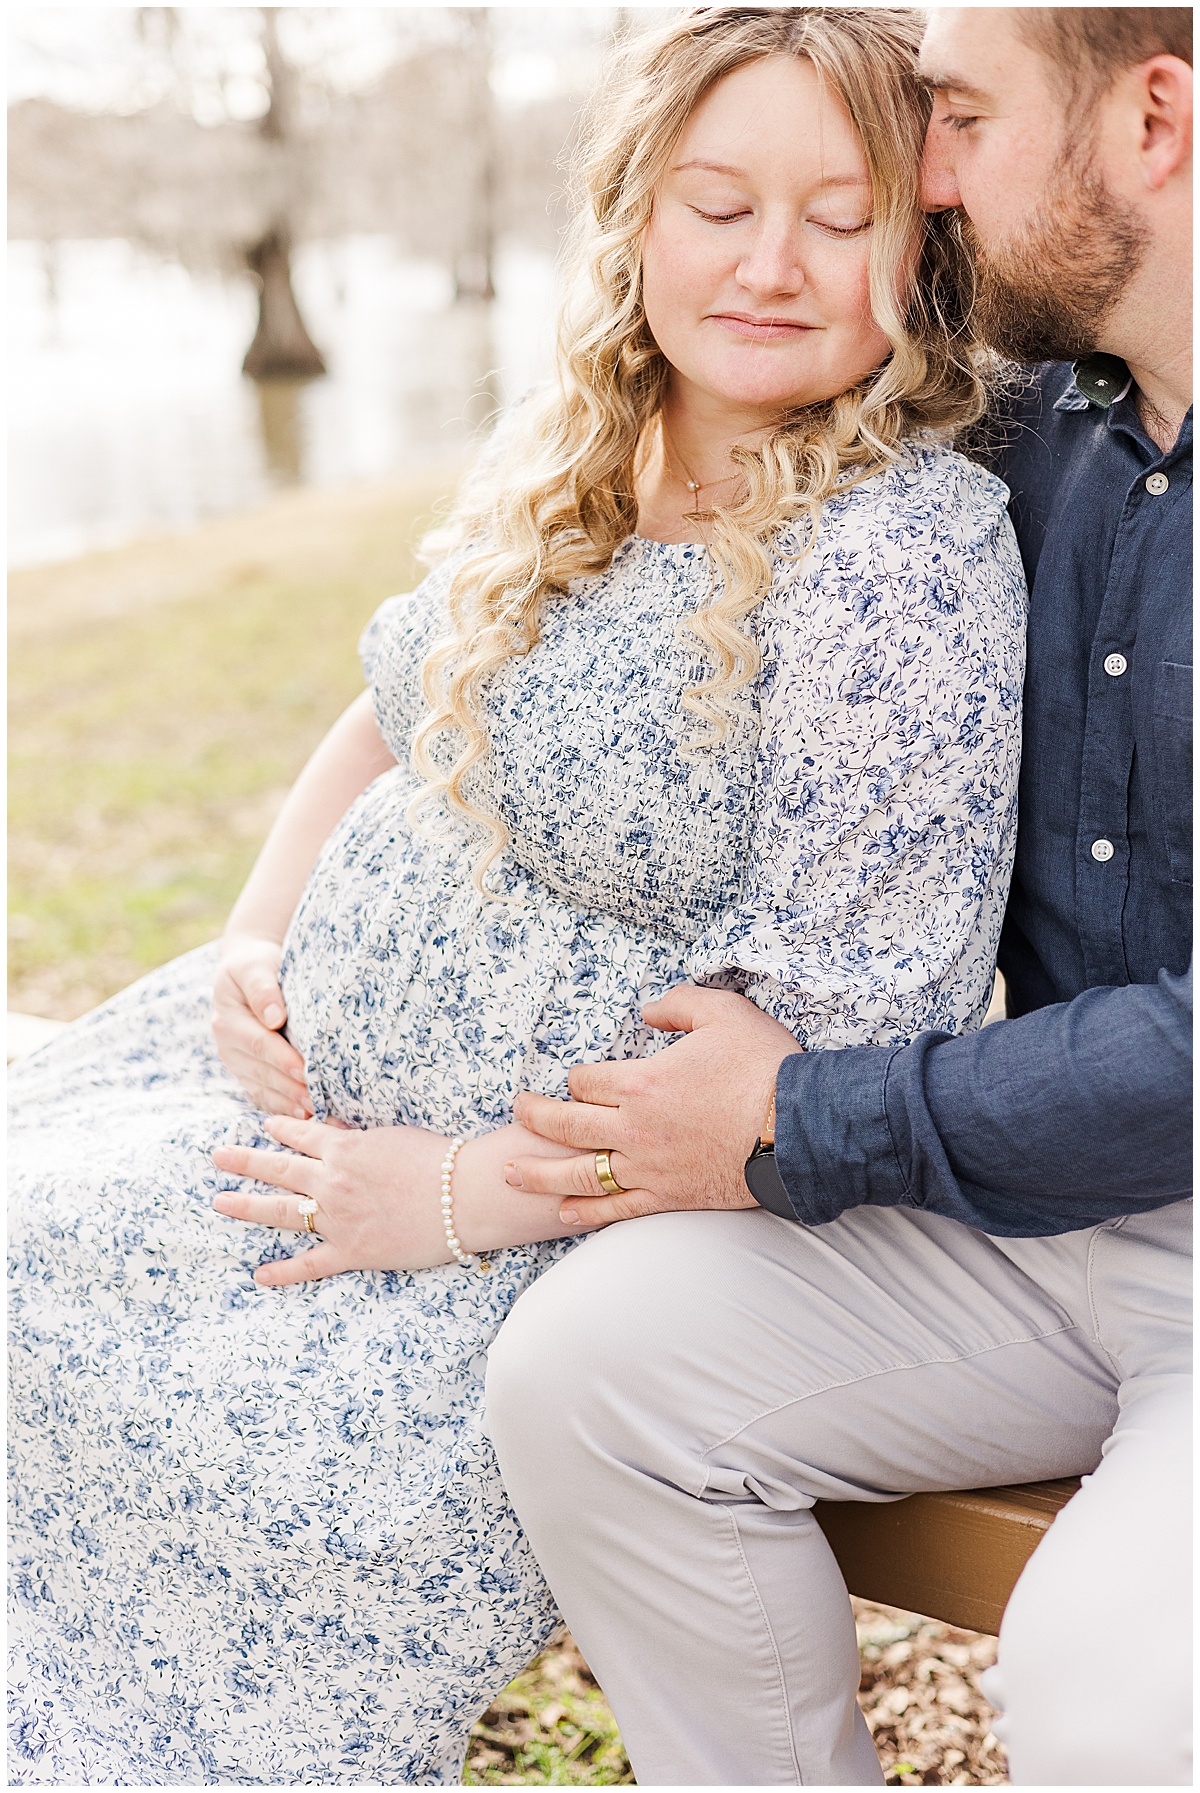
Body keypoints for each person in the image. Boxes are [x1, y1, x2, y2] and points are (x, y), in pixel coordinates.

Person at [6, 9, 1029, 1785]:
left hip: (518, 1234)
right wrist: (258, 935)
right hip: (292, 1103)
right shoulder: (583, 453)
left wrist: (460, 1195)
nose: (770, 265)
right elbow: (395, 710)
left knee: (139, 1398)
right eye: (718, 202)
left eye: (837, 215)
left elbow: (843, 1038)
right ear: (636, 213)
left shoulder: (899, 554)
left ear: (920, 248)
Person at [487, 7, 1193, 1786]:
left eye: (957, 119)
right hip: (1040, 1218)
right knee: (593, 1372)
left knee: (1122, 1703)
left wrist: (803, 1111)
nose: (927, 178)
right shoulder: (1042, 423)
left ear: (1153, 121)